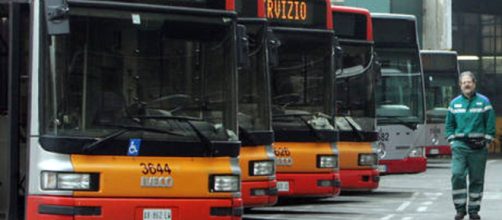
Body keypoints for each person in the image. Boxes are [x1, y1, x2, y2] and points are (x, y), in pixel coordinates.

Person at [445, 71, 496, 220]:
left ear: (474, 84)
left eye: (469, 82)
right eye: (464, 82)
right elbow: (449, 125)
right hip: (460, 146)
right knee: (457, 175)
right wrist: (452, 141)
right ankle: (460, 209)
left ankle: (474, 210)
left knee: (476, 179)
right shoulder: (454, 104)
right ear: (460, 85)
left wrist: (486, 141)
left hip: (479, 148)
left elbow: (490, 124)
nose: (467, 84)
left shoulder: (484, 102)